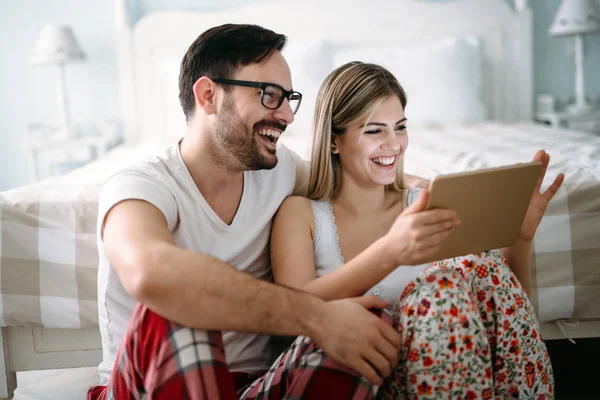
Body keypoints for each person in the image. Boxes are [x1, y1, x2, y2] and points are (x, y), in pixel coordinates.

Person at [88, 25, 429, 400]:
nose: (287, 115)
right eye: (269, 95)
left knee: (359, 325)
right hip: (150, 385)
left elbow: (347, 173)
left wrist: (415, 184)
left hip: (257, 386)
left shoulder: (280, 170)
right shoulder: (139, 186)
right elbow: (152, 276)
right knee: (178, 303)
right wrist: (317, 317)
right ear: (208, 96)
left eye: (289, 98)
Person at [270, 61, 563, 399]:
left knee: (482, 266)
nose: (394, 144)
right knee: (439, 288)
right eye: (374, 130)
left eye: (400, 127)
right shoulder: (301, 214)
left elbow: (504, 319)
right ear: (334, 141)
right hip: (362, 379)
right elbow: (289, 314)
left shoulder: (425, 204)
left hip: (458, 377)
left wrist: (520, 240)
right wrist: (389, 252)